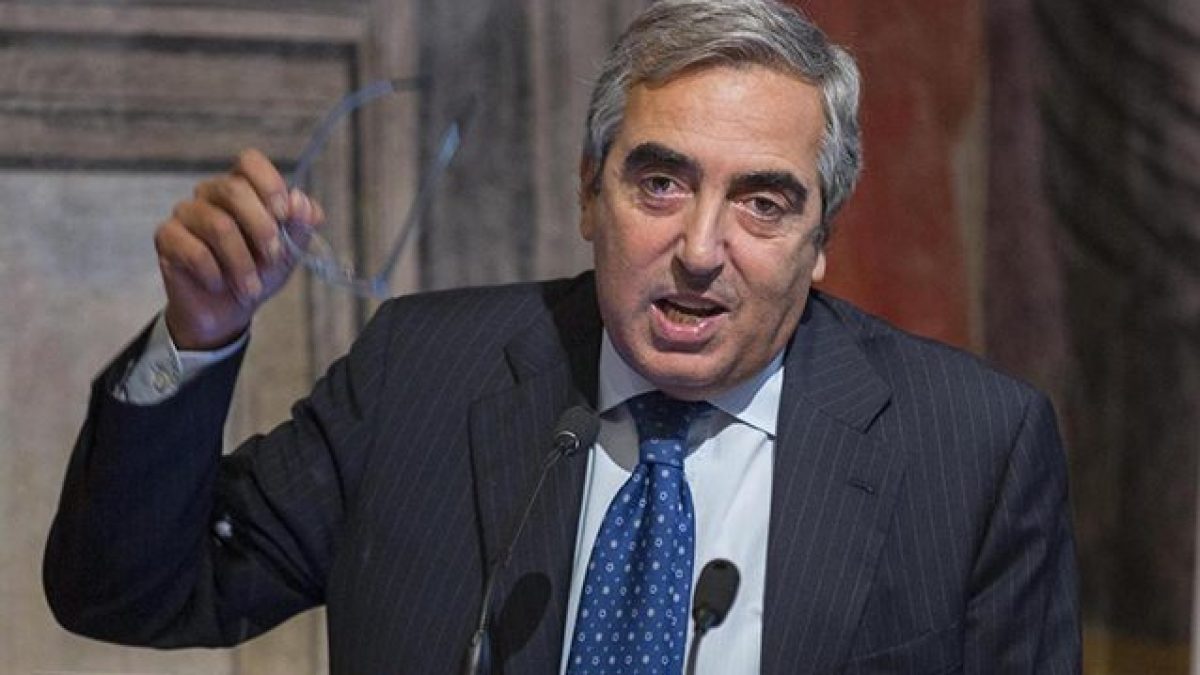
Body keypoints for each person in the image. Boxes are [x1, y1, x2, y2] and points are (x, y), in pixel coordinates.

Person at [43, 0, 1081, 672]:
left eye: (763, 203)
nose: (700, 249)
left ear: (821, 243)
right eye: (660, 183)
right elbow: (129, 592)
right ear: (591, 194)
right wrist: (198, 336)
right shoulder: (423, 376)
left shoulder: (970, 449)